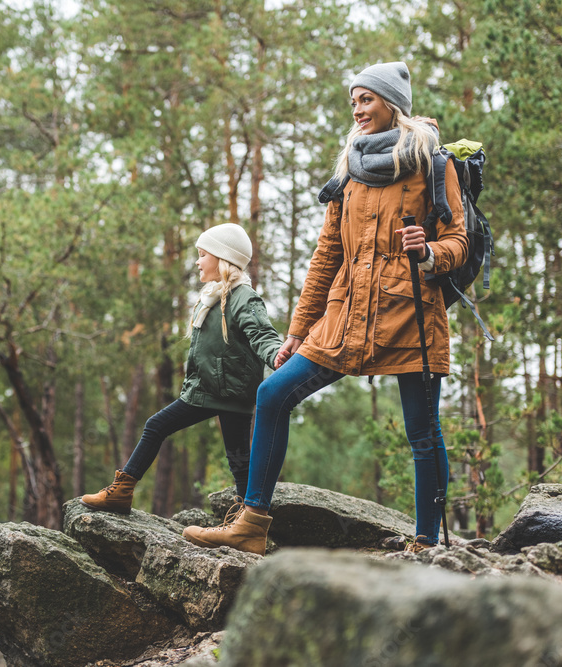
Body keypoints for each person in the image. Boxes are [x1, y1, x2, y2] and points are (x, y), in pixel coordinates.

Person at [183, 62, 468, 556]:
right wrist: (297, 330)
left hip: (410, 316)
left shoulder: (433, 165)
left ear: (392, 103)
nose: (357, 109)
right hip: (343, 318)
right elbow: (325, 258)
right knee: (273, 392)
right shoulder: (349, 171)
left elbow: (459, 242)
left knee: (423, 433)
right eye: (354, 100)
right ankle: (252, 523)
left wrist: (430, 251)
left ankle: (427, 542)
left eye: (367, 99)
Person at [81, 223, 283, 517]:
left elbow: (263, 334)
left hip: (229, 391)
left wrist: (277, 356)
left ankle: (247, 520)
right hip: (206, 389)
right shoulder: (211, 297)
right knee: (173, 433)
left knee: (228, 455)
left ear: (222, 258)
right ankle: (123, 493)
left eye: (202, 255)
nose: (197, 261)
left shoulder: (243, 297)